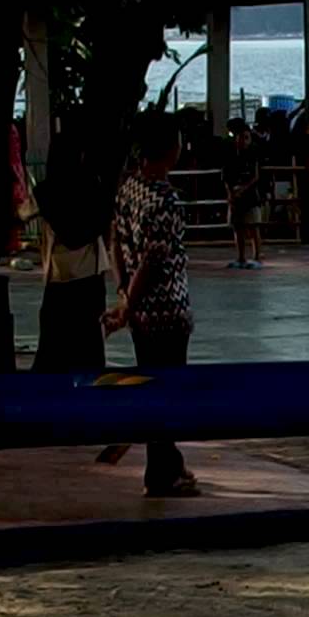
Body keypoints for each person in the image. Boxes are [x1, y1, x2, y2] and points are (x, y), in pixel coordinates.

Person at [107, 132, 201, 497]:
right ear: (170, 151)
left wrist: (124, 295)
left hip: (141, 312)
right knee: (169, 391)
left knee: (151, 383)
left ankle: (167, 464)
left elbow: (116, 241)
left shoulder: (129, 188)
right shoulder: (165, 199)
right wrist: (128, 302)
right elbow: (154, 257)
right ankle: (162, 472)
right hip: (167, 308)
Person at [29, 146, 116, 376]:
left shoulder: (46, 193)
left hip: (58, 278)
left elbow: (21, 212)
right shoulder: (92, 187)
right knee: (89, 351)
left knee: (52, 353)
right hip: (90, 277)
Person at [217, 120, 263, 268]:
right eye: (240, 137)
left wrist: (243, 189)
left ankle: (256, 257)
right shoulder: (229, 153)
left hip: (251, 195)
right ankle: (241, 257)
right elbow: (226, 177)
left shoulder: (253, 152)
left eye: (246, 137)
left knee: (253, 226)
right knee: (238, 227)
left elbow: (255, 176)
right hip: (235, 195)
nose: (243, 141)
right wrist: (231, 194)